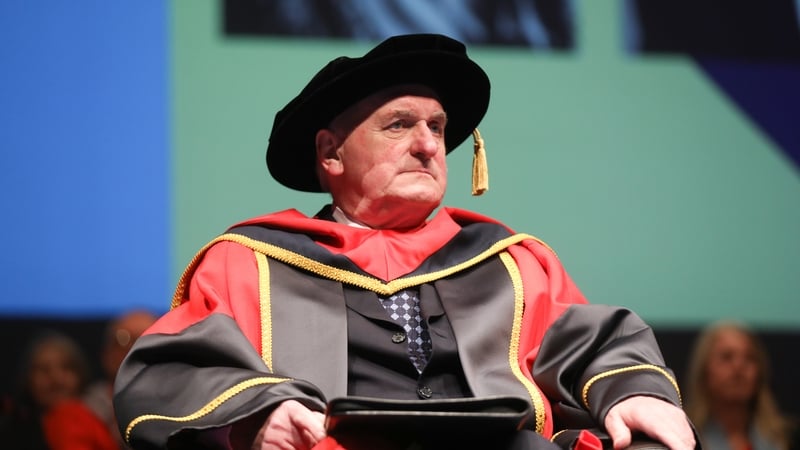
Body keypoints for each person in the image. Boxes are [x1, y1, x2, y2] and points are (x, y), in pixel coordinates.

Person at [113, 33, 697, 450]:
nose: (429, 145)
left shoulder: (513, 263)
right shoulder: (249, 264)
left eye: (437, 127)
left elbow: (597, 344)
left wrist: (631, 393)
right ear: (331, 153)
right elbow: (172, 371)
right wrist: (257, 414)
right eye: (400, 125)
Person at [684, 320, 797, 450]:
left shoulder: (789, 439)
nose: (739, 367)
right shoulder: (683, 436)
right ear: (704, 371)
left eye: (749, 358)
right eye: (727, 357)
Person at [0, 330, 117, 450]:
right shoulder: (10, 426)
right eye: (43, 369)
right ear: (28, 378)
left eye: (66, 368)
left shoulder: (105, 416)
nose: (56, 379)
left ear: (80, 375)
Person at [83, 310, 158, 449]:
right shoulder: (82, 413)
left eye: (146, 340)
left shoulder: (185, 412)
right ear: (106, 354)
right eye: (124, 339)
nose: (133, 350)